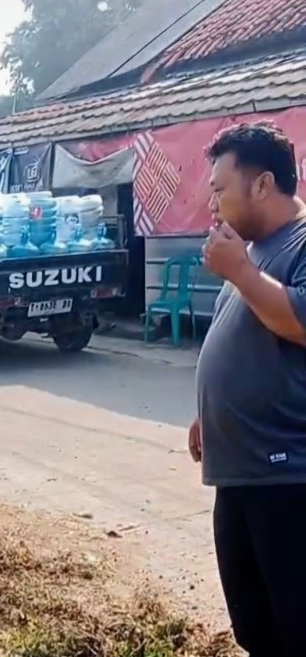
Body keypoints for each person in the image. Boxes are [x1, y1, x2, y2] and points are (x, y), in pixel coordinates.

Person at [193, 122, 306, 657]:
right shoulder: (254, 250)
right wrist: (208, 414)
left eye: (220, 188)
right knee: (255, 629)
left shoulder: (299, 243)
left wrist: (240, 272)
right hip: (238, 471)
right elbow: (241, 335)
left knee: (297, 627)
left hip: (287, 476)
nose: (211, 202)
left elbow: (300, 323)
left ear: (262, 184)